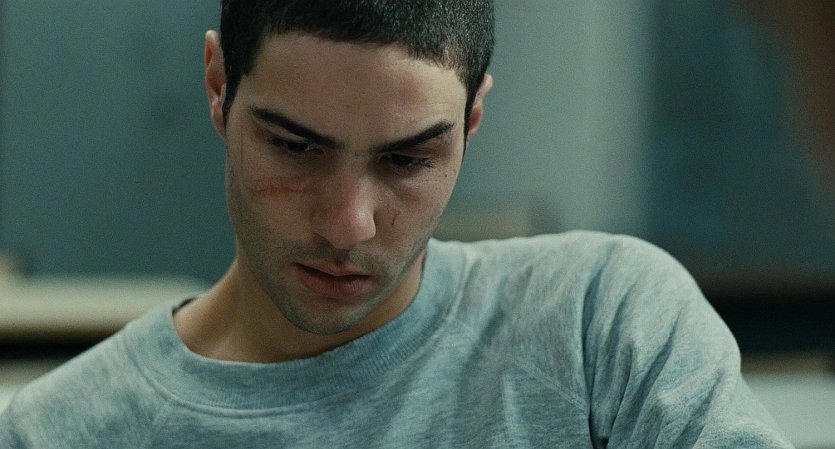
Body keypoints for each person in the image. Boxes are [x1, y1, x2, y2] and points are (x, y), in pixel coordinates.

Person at [1, 1, 794, 447]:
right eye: (295, 147)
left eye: (408, 159)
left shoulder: (603, 323)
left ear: (472, 118)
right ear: (218, 86)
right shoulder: (58, 433)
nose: (347, 225)